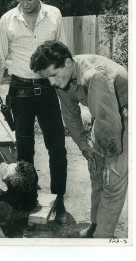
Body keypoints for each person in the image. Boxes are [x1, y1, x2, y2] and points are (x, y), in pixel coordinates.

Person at [0, 0, 68, 223]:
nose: (24, 3)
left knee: (57, 147)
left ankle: (59, 199)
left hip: (48, 89)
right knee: (24, 151)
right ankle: (27, 201)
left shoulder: (54, 14)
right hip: (19, 91)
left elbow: (63, 51)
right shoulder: (7, 19)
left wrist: (67, 86)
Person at [30, 40, 128, 238]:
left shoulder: (96, 76)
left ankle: (102, 240)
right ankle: (95, 226)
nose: (51, 82)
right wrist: (86, 148)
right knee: (96, 172)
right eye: (47, 78)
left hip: (125, 119)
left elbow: (108, 121)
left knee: (112, 180)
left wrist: (111, 158)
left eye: (52, 75)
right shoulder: (64, 77)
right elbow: (71, 116)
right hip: (105, 118)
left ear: (67, 63)